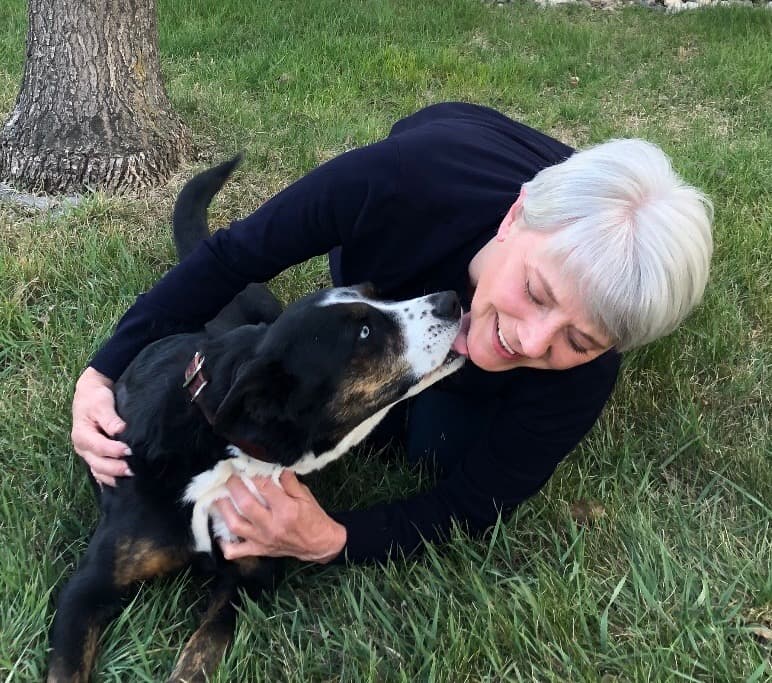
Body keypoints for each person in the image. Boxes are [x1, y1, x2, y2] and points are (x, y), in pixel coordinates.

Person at [71, 102, 713, 565]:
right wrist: (103, 372)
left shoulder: (584, 372)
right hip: (451, 150)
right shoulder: (401, 183)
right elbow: (233, 258)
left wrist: (333, 539)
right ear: (516, 216)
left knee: (437, 448)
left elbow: (473, 502)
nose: (535, 340)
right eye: (537, 293)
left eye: (582, 339)